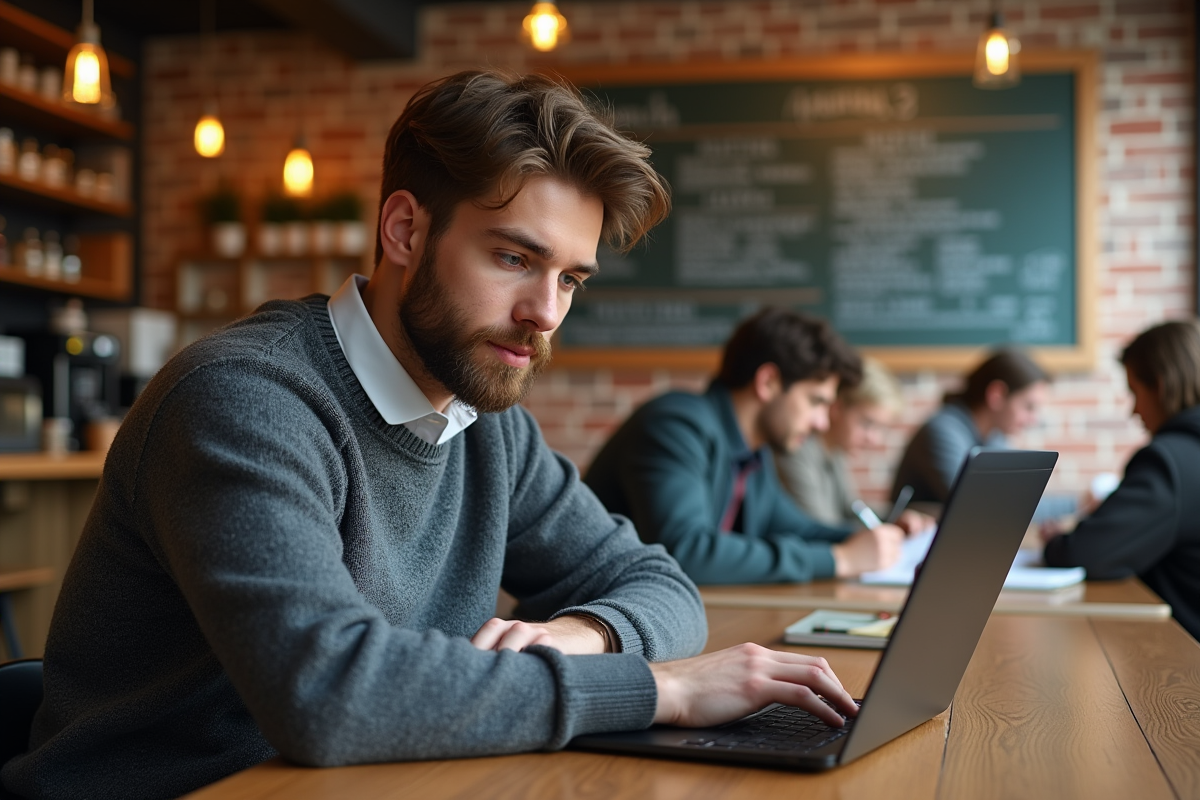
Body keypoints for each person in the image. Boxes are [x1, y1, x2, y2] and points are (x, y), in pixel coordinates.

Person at [1, 72, 858, 800]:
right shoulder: (243, 401)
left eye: (571, 278)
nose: (546, 313)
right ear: (405, 230)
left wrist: (580, 633)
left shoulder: (488, 426)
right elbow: (328, 692)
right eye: (515, 259)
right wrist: (653, 688)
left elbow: (658, 582)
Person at [585, 308, 906, 585]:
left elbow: (792, 527)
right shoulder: (676, 424)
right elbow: (686, 552)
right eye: (815, 402)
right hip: (589, 620)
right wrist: (841, 559)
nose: (822, 422)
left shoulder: (752, 451)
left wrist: (876, 538)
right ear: (768, 382)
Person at [1042, 320, 1200, 641]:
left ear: (1159, 385)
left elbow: (1086, 554)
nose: (1134, 411)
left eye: (1134, 392)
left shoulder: (1169, 461)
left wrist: (1055, 541)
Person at [777, 357, 933, 533]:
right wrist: (885, 532)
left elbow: (852, 511)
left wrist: (895, 519)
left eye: (881, 428)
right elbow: (824, 530)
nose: (875, 439)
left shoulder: (834, 452)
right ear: (836, 407)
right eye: (867, 424)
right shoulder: (797, 452)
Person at [891, 347, 1049, 505]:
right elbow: (986, 506)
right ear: (997, 395)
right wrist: (1070, 505)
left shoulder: (995, 437)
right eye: (1028, 407)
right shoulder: (942, 432)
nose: (1033, 419)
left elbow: (1011, 499)